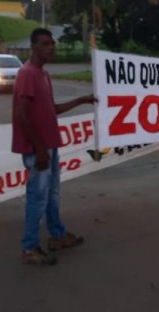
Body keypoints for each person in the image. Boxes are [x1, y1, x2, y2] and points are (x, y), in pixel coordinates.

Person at [14, 28, 97, 265]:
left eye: (52, 43)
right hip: (39, 149)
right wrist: (39, 149)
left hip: (49, 146)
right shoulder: (28, 74)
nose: (51, 47)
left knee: (51, 196)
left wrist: (82, 100)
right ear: (33, 47)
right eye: (45, 44)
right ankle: (29, 248)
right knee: (37, 198)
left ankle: (57, 235)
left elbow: (53, 110)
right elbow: (21, 116)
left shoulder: (43, 75)